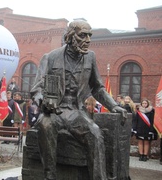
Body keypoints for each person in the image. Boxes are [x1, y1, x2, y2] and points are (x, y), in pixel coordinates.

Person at [30, 20, 127, 180]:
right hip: (54, 111)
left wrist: (114, 106)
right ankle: (50, 176)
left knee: (95, 134)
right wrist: (43, 101)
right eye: (83, 35)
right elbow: (37, 88)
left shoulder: (90, 57)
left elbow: (98, 88)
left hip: (76, 112)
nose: (88, 40)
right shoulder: (51, 57)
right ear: (70, 36)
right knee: (46, 125)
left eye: (90, 35)